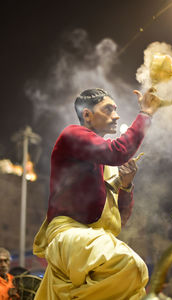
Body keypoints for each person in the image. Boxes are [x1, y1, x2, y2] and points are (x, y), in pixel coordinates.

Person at [33, 87, 162, 300]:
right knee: (130, 265)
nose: (117, 115)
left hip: (90, 244)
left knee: (135, 288)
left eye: (116, 109)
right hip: (69, 237)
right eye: (109, 109)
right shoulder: (72, 135)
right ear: (87, 115)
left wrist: (127, 187)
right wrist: (145, 114)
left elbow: (117, 222)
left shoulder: (106, 163)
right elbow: (118, 152)